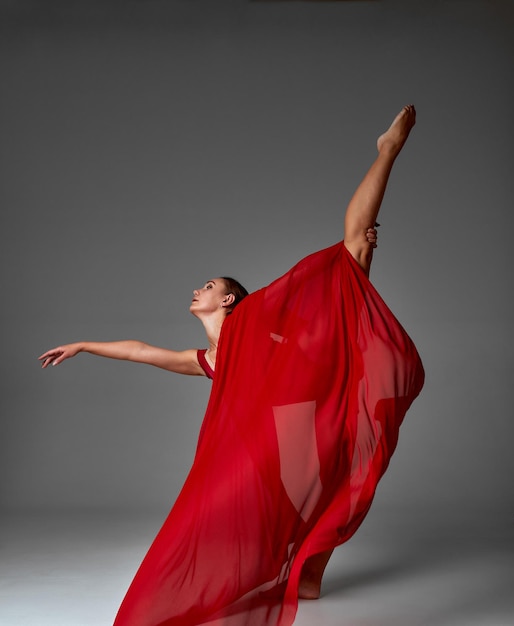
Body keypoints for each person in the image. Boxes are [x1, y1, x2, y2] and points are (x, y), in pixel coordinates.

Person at [40, 105, 424, 626]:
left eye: (209, 286)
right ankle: (307, 575)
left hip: (313, 417)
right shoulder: (212, 360)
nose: (197, 289)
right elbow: (141, 351)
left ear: (228, 302)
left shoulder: (256, 323)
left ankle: (387, 150)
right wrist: (85, 344)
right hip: (289, 446)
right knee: (303, 500)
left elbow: (305, 342)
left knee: (352, 253)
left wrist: (352, 277)